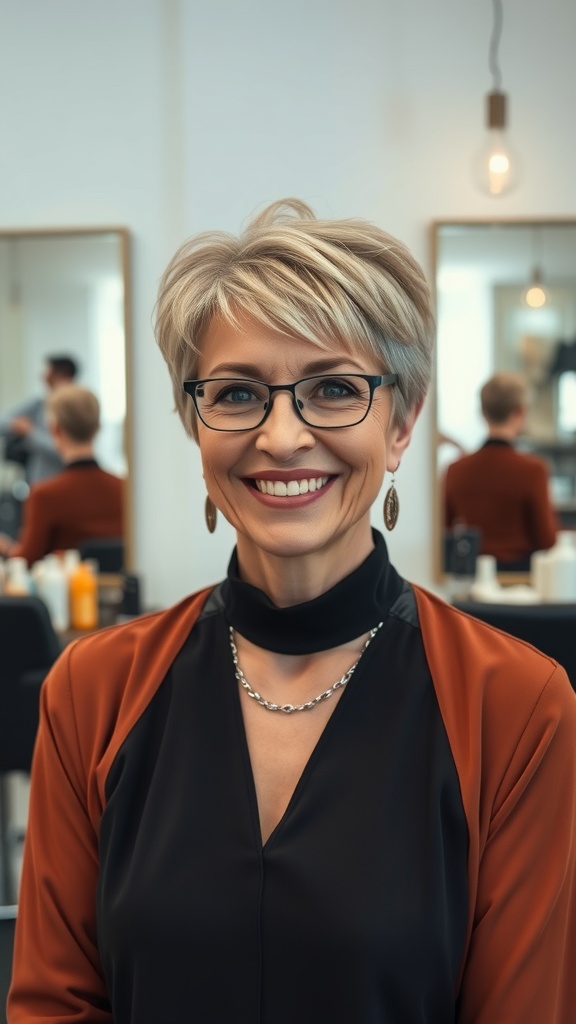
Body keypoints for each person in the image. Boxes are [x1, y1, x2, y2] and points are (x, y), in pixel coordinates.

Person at [8, 200, 576, 1024]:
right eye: (237, 394)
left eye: (335, 389)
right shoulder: (94, 691)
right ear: (192, 423)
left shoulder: (516, 707)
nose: (281, 436)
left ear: (403, 421)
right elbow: (53, 1007)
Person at [443, 371, 558, 571]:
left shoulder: (455, 470)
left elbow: (445, 534)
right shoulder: (533, 470)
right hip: (523, 579)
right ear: (520, 411)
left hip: (473, 578)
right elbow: (547, 540)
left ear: (483, 411)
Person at [0, 384, 123, 566]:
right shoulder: (125, 489)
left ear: (55, 429)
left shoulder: (44, 495)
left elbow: (25, 560)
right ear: (97, 428)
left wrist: (7, 548)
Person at [0, 354, 78, 485]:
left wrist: (30, 432)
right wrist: (16, 426)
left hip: (67, 481)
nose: (43, 377)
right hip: (39, 481)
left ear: (62, 375)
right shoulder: (39, 405)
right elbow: (3, 422)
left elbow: (67, 449)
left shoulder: (79, 407)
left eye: (48, 372)